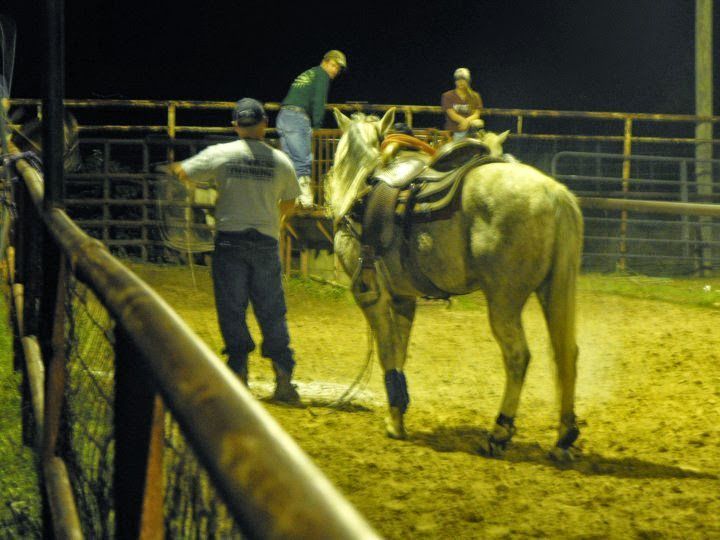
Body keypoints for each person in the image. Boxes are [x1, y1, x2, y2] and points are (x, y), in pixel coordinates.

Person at [167, 98, 301, 403]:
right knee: (271, 311)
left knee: (232, 309)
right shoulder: (281, 161)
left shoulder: (221, 154)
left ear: (236, 126)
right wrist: (273, 222)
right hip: (265, 240)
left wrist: (177, 172)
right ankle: (283, 376)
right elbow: (290, 202)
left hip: (230, 240)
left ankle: (239, 372)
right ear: (264, 124)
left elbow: (184, 172)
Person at [276, 49, 347, 207]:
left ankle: (290, 199)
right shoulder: (322, 75)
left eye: (338, 69)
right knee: (302, 158)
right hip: (297, 117)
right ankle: (306, 199)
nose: (335, 71)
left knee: (289, 160)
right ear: (325, 62)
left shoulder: (310, 73)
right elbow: (318, 102)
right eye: (334, 66)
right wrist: (316, 126)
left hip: (283, 116)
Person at [441, 67, 484, 141]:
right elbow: (451, 114)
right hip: (454, 131)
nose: (460, 82)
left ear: (468, 81)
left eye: (463, 79)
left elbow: (477, 113)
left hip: (471, 130)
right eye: (458, 79)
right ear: (455, 81)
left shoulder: (475, 96)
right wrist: (462, 121)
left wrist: (466, 121)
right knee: (460, 135)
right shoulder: (447, 96)